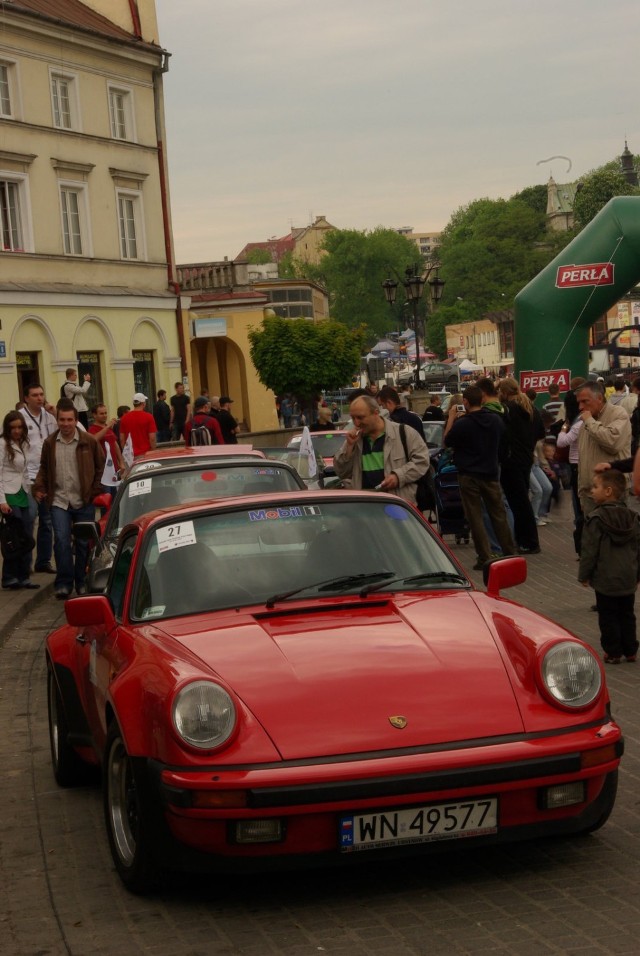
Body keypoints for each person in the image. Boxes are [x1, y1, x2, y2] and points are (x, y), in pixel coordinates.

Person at [32, 400, 104, 598]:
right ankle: (64, 583)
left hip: (83, 500)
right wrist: (39, 487)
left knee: (82, 543)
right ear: (57, 420)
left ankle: (81, 581)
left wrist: (95, 489)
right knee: (62, 541)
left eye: (69, 420)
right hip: (59, 501)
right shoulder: (50, 443)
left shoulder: (88, 441)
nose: (65, 424)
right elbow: (44, 469)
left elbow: (101, 466)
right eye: (62, 420)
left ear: (75, 420)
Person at [444, 385, 516, 570]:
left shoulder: (462, 424)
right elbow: (504, 443)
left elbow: (447, 442)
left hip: (468, 475)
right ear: (482, 400)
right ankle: (510, 552)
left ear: (466, 402)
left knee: (475, 516)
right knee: (498, 514)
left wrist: (452, 417)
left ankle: (484, 556)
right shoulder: (495, 420)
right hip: (491, 473)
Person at [578, 469, 640, 664]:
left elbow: (589, 550)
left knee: (608, 615)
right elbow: (638, 547)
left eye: (596, 487)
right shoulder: (633, 517)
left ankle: (613, 652)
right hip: (628, 575)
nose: (592, 491)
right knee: (627, 613)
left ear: (608, 491)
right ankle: (630, 649)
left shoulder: (596, 519)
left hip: (605, 577)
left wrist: (584, 575)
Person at [333, 395, 430, 506]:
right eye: (353, 418)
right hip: (364, 508)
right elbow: (341, 472)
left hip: (397, 506)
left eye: (360, 417)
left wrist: (398, 476)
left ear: (376, 413)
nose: (356, 423)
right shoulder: (355, 440)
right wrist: (349, 447)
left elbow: (422, 461)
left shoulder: (404, 432)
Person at [497, 377, 540, 555]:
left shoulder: (508, 410)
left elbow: (502, 433)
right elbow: (539, 433)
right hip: (526, 458)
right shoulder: (531, 409)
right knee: (522, 500)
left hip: (511, 460)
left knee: (518, 502)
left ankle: (528, 541)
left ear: (505, 393)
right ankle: (527, 540)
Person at [575, 381, 630, 518]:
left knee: (615, 535)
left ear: (599, 398)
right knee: (592, 536)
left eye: (585, 401)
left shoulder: (618, 414)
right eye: (579, 403)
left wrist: (590, 422)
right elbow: (583, 459)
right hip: (590, 494)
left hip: (612, 494)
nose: (581, 407)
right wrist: (581, 493)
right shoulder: (585, 423)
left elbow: (612, 443)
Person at [19, 382, 57, 573]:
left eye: (42, 394)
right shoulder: (20, 419)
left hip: (47, 475)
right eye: (35, 395)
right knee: (29, 519)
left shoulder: (49, 417)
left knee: (47, 522)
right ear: (26, 398)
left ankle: (43, 561)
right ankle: (24, 564)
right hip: (29, 477)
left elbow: (67, 428)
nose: (40, 398)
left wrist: (55, 411)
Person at [0, 411, 38, 590]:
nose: (16, 431)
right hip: (8, 493)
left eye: (19, 427)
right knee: (14, 536)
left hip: (23, 491)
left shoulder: (23, 443)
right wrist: (1, 501)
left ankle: (24, 575)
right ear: (7, 428)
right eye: (13, 427)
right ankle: (9, 576)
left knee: (26, 534)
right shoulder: (2, 444)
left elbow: (25, 470)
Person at [88, 403, 125, 496]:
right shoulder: (92, 429)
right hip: (103, 472)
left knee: (116, 497)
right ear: (94, 415)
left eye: (105, 413)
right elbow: (94, 439)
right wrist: (107, 426)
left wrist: (121, 462)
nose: (104, 415)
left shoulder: (107, 428)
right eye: (101, 413)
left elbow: (115, 443)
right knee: (107, 498)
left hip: (114, 470)